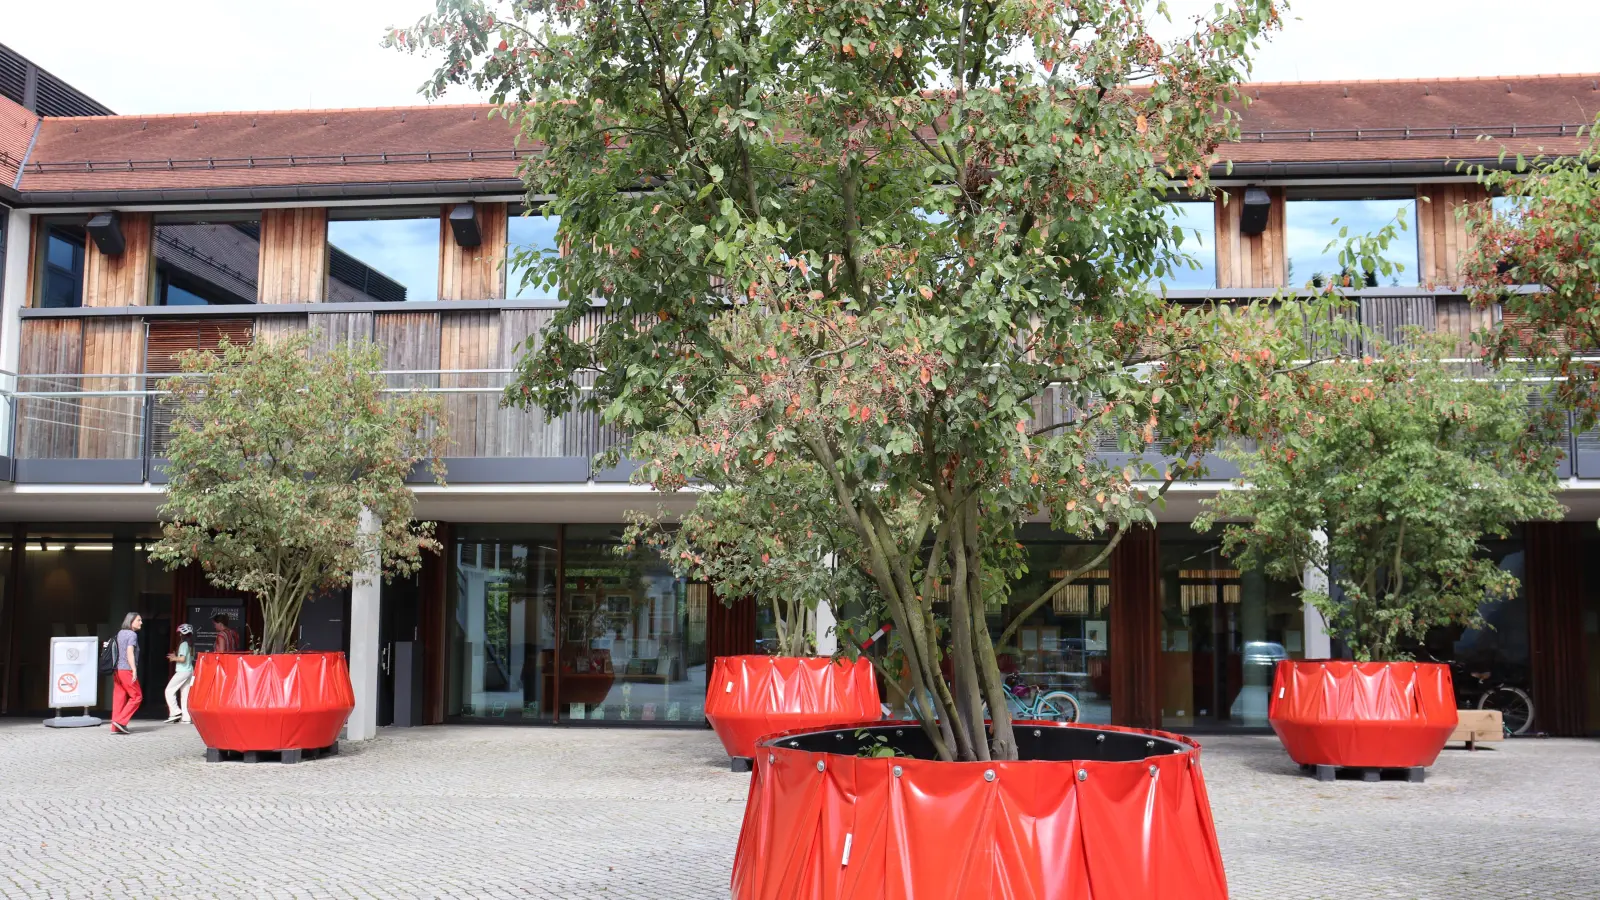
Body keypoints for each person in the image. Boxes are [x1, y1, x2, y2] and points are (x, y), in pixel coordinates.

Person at [110, 612, 143, 735]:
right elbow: (130, 652)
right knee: (137, 696)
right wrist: (134, 669)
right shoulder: (132, 635)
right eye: (138, 620)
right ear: (131, 621)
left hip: (117, 670)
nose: (141, 623)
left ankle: (115, 727)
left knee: (119, 698)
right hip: (126, 669)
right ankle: (121, 721)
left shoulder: (120, 633)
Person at [164, 623, 196, 724]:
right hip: (190, 671)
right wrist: (176, 656)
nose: (179, 635)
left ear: (182, 633)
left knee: (169, 690)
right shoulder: (191, 645)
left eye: (180, 633)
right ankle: (186, 717)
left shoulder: (183, 644)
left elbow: (182, 659)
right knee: (185, 694)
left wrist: (174, 658)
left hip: (182, 671)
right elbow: (188, 658)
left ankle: (175, 712)